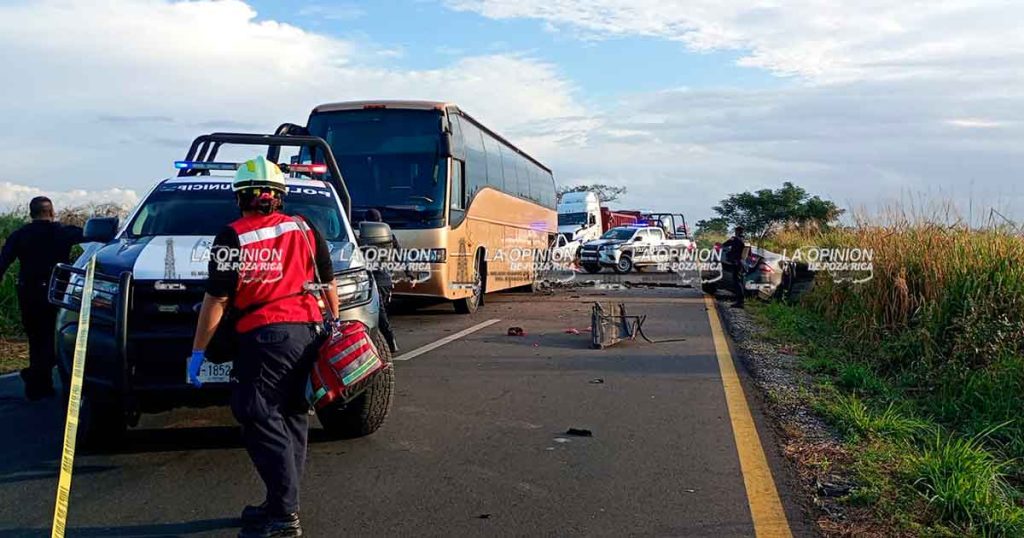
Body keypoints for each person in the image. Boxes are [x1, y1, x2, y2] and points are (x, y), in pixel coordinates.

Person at [189, 156, 337, 538]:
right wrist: (333, 327)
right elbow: (328, 282)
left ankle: (284, 516)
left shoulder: (232, 236)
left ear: (240, 197)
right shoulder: (304, 227)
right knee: (292, 415)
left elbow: (217, 299)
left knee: (256, 412)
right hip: (309, 331)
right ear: (279, 196)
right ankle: (280, 503)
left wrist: (198, 351)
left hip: (266, 336)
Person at [0, 197, 84, 400]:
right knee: (55, 337)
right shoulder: (64, 232)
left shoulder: (20, 234)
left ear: (31, 213)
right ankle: (38, 378)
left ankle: (37, 382)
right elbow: (94, 237)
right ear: (52, 212)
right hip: (57, 293)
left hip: (28, 292)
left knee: (36, 338)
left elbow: (3, 261)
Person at [362, 208, 399, 353]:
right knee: (379, 314)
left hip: (375, 281)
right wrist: (410, 274)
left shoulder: (365, 236)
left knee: (379, 315)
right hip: (386, 280)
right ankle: (386, 343)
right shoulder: (388, 234)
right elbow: (399, 254)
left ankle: (390, 343)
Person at [721, 225, 747, 308]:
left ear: (737, 231)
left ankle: (740, 302)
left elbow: (725, 244)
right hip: (741, 263)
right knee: (739, 282)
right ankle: (740, 301)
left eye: (736, 231)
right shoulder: (744, 240)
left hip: (736, 263)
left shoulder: (735, 239)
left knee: (737, 282)